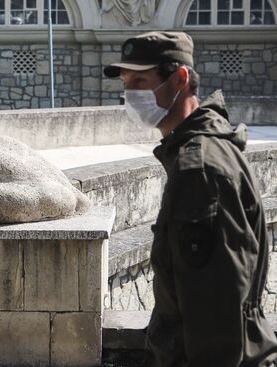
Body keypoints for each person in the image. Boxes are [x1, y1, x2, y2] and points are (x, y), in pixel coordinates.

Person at [104, 31, 277, 366]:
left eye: (140, 80)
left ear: (180, 78)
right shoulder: (206, 149)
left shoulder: (198, 169)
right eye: (126, 84)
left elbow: (217, 313)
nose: (131, 95)